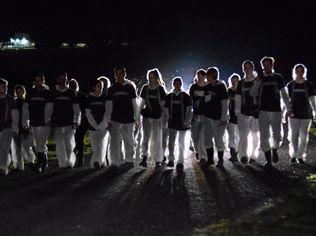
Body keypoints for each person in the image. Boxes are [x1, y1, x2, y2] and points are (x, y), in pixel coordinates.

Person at [250, 57, 292, 169]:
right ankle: (268, 160)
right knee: (264, 135)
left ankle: (275, 149)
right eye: (264, 65)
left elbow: (284, 94)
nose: (266, 67)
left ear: (272, 65)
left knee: (277, 135)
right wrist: (257, 82)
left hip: (276, 111)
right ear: (262, 66)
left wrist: (289, 108)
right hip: (263, 110)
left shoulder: (278, 77)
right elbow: (252, 93)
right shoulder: (260, 78)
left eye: (268, 64)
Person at [106, 66, 137, 167]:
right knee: (114, 142)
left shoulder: (130, 87)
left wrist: (136, 118)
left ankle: (129, 160)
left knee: (129, 141)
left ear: (124, 74)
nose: (119, 76)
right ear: (115, 75)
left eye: (121, 73)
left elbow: (134, 103)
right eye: (117, 74)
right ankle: (115, 161)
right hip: (115, 119)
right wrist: (108, 119)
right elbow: (109, 105)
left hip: (128, 119)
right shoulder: (111, 89)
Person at [23, 73, 53, 173]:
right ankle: (45, 163)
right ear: (34, 82)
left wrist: (48, 119)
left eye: (39, 80)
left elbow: (50, 107)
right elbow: (26, 108)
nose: (37, 82)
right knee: (37, 144)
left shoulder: (47, 93)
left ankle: (39, 165)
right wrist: (26, 121)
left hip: (44, 123)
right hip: (34, 122)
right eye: (36, 80)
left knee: (42, 143)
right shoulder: (30, 92)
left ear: (43, 81)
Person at [286, 64, 316, 164]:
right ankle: (293, 155)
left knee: (304, 136)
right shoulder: (290, 85)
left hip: (306, 114)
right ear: (294, 72)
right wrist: (285, 112)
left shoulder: (309, 85)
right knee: (294, 135)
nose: (299, 73)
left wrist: (315, 112)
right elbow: (285, 101)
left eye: (301, 71)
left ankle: (300, 156)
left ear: (304, 72)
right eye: (297, 71)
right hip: (293, 114)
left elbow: (313, 101)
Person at [51, 71, 81, 169]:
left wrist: (77, 120)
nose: (63, 80)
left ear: (67, 80)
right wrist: (49, 119)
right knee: (60, 145)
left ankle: (70, 162)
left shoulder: (71, 92)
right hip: (58, 123)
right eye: (61, 78)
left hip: (69, 123)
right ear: (57, 79)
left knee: (69, 145)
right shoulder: (54, 92)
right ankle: (62, 164)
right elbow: (49, 107)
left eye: (65, 78)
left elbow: (76, 109)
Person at [138, 68, 166, 168]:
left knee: (156, 139)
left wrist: (164, 118)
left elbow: (163, 105)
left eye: (152, 77)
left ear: (156, 78)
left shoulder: (160, 89)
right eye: (149, 77)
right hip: (146, 116)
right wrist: (137, 117)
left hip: (157, 117)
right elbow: (141, 104)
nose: (150, 79)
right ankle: (144, 158)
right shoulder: (145, 88)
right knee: (145, 138)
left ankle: (158, 159)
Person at [164, 77, 192, 174]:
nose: (177, 85)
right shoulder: (169, 96)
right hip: (172, 122)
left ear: (181, 84)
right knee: (171, 142)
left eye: (178, 83)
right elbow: (166, 109)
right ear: (173, 84)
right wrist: (168, 119)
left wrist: (187, 121)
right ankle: (171, 159)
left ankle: (180, 160)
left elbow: (189, 109)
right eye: (175, 83)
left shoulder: (185, 96)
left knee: (181, 142)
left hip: (182, 122)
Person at [203, 67, 229, 167]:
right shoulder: (207, 86)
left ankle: (221, 159)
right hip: (208, 116)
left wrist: (224, 117)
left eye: (208, 75)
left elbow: (225, 102)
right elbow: (205, 101)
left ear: (212, 75)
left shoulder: (221, 86)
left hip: (218, 117)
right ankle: (210, 159)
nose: (206, 77)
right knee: (207, 138)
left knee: (218, 138)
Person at [235, 61, 260, 164]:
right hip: (244, 112)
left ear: (252, 68)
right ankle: (243, 155)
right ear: (243, 69)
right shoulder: (241, 83)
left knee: (255, 136)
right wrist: (237, 109)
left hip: (256, 113)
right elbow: (238, 97)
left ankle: (253, 155)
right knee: (243, 135)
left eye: (249, 68)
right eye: (245, 68)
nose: (247, 70)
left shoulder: (258, 81)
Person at [85, 79, 109, 169]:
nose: (101, 87)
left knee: (102, 144)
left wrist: (103, 124)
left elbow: (107, 112)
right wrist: (95, 125)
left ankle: (96, 162)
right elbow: (88, 113)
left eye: (102, 85)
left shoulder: (104, 97)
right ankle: (100, 161)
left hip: (104, 126)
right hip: (92, 126)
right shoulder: (89, 98)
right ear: (94, 87)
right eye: (98, 86)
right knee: (95, 146)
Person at [11, 85, 35, 171]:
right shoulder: (13, 102)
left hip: (25, 127)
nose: (18, 93)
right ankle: (19, 166)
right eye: (17, 92)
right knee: (17, 148)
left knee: (26, 146)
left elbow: (30, 116)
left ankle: (31, 161)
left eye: (20, 91)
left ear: (23, 92)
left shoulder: (27, 103)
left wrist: (30, 127)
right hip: (16, 127)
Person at [0, 78, 19, 176]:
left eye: (6, 86)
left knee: (4, 148)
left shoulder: (11, 99)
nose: (5, 88)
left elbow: (15, 114)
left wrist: (15, 128)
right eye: (3, 86)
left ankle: (3, 167)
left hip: (7, 126)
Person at [68, 78, 89, 168]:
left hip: (82, 121)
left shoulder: (83, 96)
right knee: (75, 140)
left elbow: (86, 110)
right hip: (72, 121)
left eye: (74, 86)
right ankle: (75, 157)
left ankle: (79, 158)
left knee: (79, 139)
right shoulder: (68, 96)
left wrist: (79, 119)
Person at [189, 69, 207, 161]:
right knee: (194, 135)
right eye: (198, 76)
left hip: (205, 114)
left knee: (202, 136)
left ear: (205, 77)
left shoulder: (207, 87)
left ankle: (203, 156)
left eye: (202, 76)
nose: (200, 78)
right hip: (195, 114)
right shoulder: (193, 87)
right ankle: (198, 151)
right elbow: (190, 100)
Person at [227, 73, 240, 162]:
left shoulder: (241, 91)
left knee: (239, 137)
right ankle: (233, 154)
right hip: (230, 117)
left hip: (241, 117)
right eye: (232, 81)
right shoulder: (228, 91)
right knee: (231, 136)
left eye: (236, 81)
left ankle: (239, 153)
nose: (234, 82)